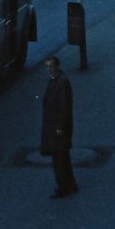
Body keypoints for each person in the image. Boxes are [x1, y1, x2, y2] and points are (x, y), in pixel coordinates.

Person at [40, 54, 76, 198]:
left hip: (57, 128)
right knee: (63, 157)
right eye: (47, 66)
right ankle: (71, 185)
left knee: (59, 159)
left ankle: (63, 188)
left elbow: (64, 107)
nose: (49, 69)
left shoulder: (61, 82)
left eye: (51, 66)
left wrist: (60, 127)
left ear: (57, 66)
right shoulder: (57, 80)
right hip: (56, 126)